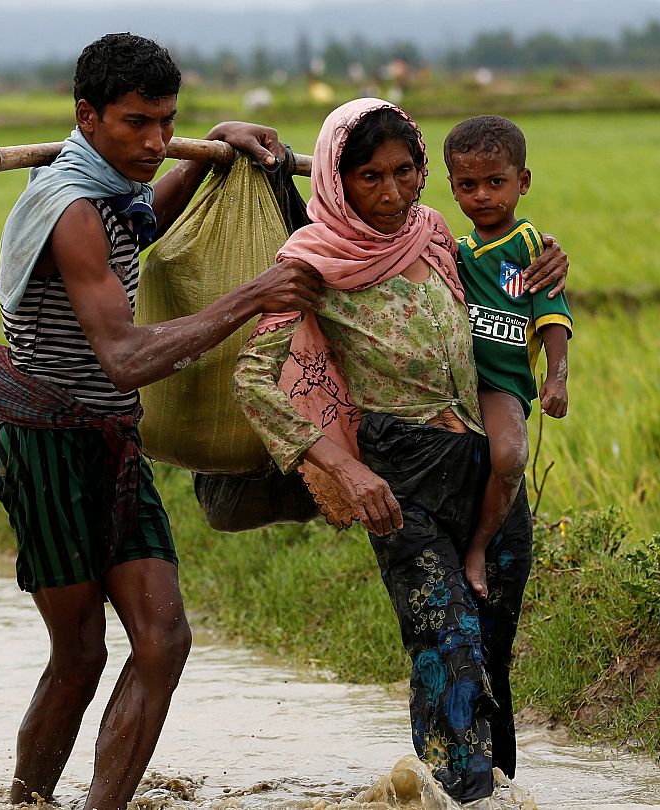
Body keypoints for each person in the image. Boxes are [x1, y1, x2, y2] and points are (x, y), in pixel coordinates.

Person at [0, 32, 319, 810]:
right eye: (137, 123)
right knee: (81, 656)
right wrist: (251, 296)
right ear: (87, 116)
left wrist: (210, 152)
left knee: (164, 642)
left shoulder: (110, 193)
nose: (157, 142)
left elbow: (140, 225)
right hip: (45, 439)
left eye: (169, 123)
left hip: (111, 439)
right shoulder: (68, 208)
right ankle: (26, 802)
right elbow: (126, 359)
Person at [232, 99, 566, 802]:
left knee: (493, 645)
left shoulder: (438, 234)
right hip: (399, 475)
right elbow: (252, 381)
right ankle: (456, 794)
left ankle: (492, 792)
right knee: (449, 648)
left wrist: (542, 269)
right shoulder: (311, 260)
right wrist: (345, 469)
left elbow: (509, 297)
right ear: (336, 180)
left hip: (482, 468)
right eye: (369, 178)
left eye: (405, 172)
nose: (391, 194)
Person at [443, 114, 571, 601]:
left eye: (496, 182)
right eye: (468, 184)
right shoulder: (453, 250)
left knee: (510, 454)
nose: (482, 195)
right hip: (449, 386)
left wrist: (557, 379)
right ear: (452, 188)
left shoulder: (531, 248)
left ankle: (478, 545)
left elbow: (552, 317)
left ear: (523, 182)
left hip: (500, 384)